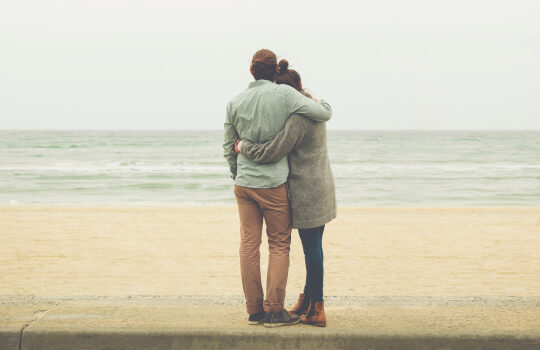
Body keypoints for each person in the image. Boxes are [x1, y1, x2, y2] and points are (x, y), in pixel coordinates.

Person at [223, 49, 332, 327]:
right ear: (274, 73)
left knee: (248, 244)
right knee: (279, 245)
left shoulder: (235, 101)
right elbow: (321, 112)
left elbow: (228, 146)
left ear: (251, 71)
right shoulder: (284, 96)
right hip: (272, 185)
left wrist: (239, 173)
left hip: (244, 185)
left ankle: (254, 311)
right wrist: (323, 102)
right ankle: (274, 311)